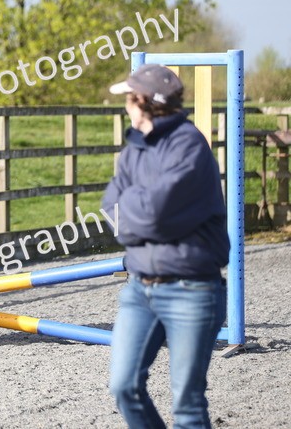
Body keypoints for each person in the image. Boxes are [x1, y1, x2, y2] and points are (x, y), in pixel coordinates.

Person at [102, 63, 229, 428]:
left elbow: (154, 214)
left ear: (141, 101)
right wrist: (138, 217)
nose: (125, 105)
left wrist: (135, 214)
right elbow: (112, 208)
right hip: (140, 287)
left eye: (128, 98)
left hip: (192, 290)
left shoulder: (189, 145)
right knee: (124, 386)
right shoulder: (134, 150)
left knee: (187, 404)